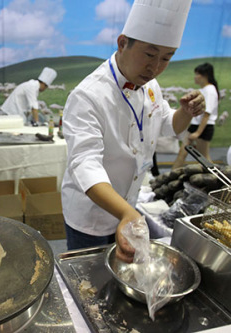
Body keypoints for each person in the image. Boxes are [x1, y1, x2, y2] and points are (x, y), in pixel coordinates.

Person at [61, 0, 205, 261]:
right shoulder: (88, 96)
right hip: (91, 214)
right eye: (150, 55)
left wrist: (185, 112)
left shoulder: (151, 86)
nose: (155, 68)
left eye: (167, 58)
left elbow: (168, 126)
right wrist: (127, 213)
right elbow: (84, 164)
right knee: (88, 281)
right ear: (122, 42)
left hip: (130, 202)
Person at [172, 63, 219, 169]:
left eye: (197, 74)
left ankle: (218, 180)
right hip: (194, 125)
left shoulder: (210, 90)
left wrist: (198, 132)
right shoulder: (203, 90)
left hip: (204, 127)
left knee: (204, 158)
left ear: (205, 75)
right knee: (182, 152)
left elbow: (207, 114)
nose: (195, 77)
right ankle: (170, 177)